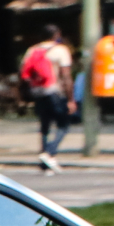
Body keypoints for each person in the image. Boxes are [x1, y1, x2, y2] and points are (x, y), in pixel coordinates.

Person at [19, 24, 74, 170]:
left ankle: (44, 159)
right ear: (56, 35)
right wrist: (70, 99)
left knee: (44, 125)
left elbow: (23, 73)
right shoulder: (60, 50)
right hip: (55, 91)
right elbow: (66, 76)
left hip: (38, 92)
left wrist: (24, 94)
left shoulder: (32, 50)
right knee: (63, 125)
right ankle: (50, 152)